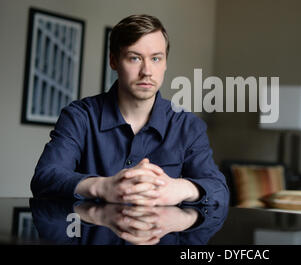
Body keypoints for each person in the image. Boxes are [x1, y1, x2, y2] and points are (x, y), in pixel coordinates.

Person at [31, 14, 229, 208]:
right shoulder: (79, 116)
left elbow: (219, 189)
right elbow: (45, 177)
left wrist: (180, 188)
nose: (147, 71)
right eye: (135, 58)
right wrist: (102, 186)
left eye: (156, 59)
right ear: (113, 61)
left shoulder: (188, 126)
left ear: (166, 62)